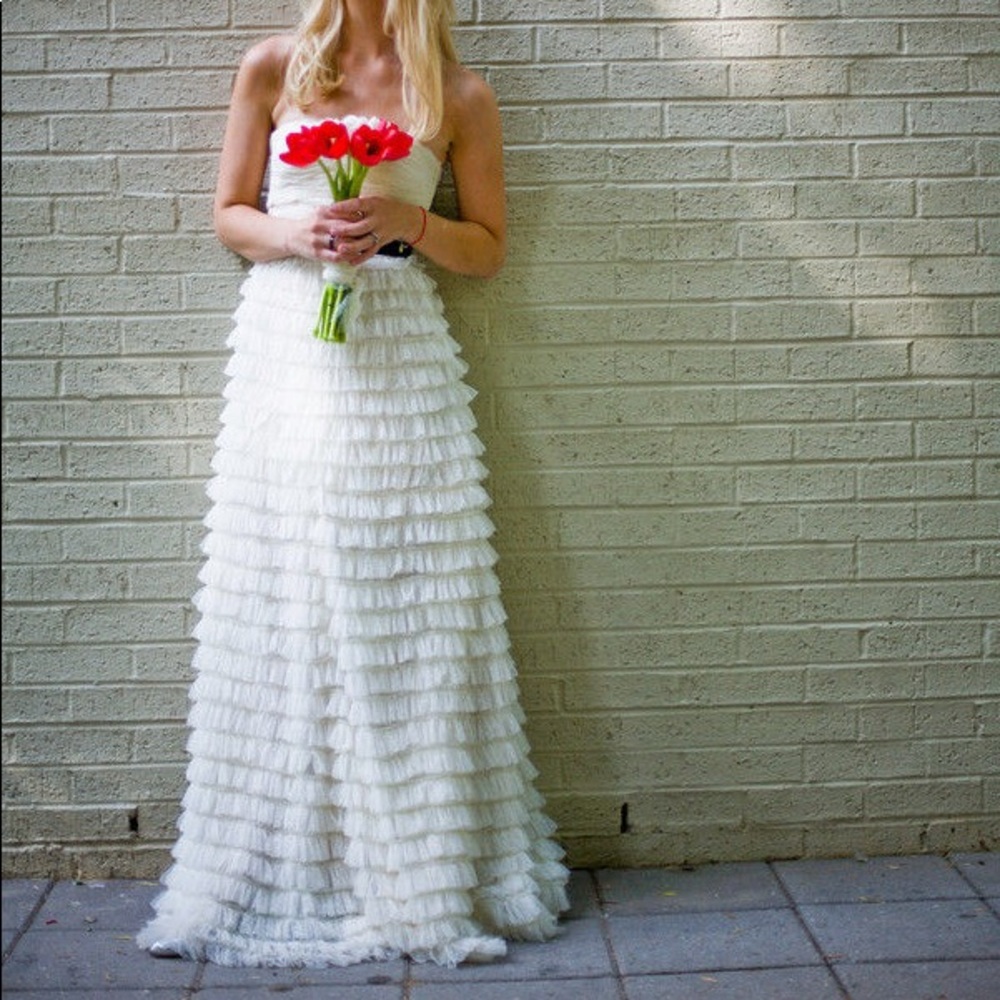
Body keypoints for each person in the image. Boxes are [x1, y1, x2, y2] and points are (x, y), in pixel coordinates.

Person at [136, 0, 569, 970]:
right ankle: (293, 852)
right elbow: (229, 213)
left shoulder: (459, 94)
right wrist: (302, 238)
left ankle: (417, 861)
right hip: (287, 354)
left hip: (402, 362)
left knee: (410, 602)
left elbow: (488, 248)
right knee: (287, 592)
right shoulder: (273, 67)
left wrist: (409, 221)